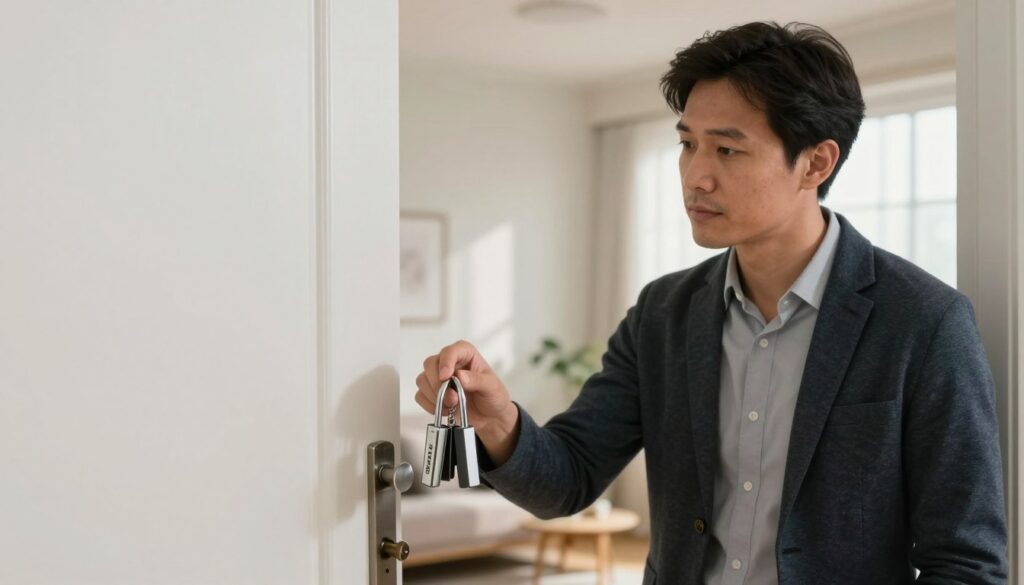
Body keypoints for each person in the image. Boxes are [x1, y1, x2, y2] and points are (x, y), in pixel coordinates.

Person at [413, 21, 1007, 584]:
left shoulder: (923, 322)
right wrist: (498, 421)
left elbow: (965, 560)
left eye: (727, 150)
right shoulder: (663, 313)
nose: (695, 176)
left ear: (816, 162)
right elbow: (566, 480)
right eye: (688, 144)